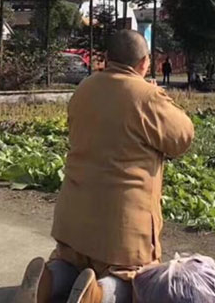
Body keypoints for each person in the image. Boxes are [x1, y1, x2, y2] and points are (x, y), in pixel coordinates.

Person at [15, 30, 195, 303]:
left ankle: (47, 281)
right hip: (122, 224)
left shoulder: (84, 88)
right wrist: (157, 93)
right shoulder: (146, 96)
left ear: (108, 59)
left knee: (69, 263)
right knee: (133, 277)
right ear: (145, 62)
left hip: (73, 217)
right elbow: (182, 137)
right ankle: (98, 294)